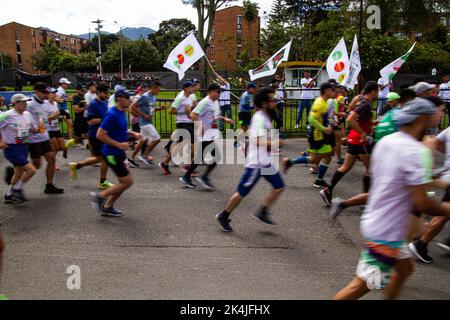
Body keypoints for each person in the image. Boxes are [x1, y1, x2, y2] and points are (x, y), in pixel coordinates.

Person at [333, 98, 450, 300]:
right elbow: (422, 202)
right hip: (387, 232)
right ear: (422, 118)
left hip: (382, 223)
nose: (441, 116)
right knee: (361, 286)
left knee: (404, 269)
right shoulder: (414, 151)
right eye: (438, 112)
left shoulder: (389, 141)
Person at [216, 87, 285, 232]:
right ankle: (224, 215)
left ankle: (263, 211)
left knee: (279, 186)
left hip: (265, 162)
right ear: (265, 103)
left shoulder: (265, 117)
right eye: (272, 100)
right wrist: (274, 143)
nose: (275, 103)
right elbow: (257, 140)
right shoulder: (259, 118)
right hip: (257, 164)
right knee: (242, 192)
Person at [320, 81, 379, 207]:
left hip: (353, 139)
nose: (378, 95)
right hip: (361, 141)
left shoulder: (359, 99)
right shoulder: (365, 104)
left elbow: (354, 117)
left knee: (345, 167)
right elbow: (351, 118)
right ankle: (365, 199)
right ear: (373, 91)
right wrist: (363, 133)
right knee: (370, 170)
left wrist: (372, 124)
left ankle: (328, 191)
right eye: (377, 92)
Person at [90, 88, 141, 217]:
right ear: (119, 99)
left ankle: (107, 206)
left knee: (123, 183)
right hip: (112, 154)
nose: (130, 101)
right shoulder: (111, 114)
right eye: (127, 98)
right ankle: (100, 196)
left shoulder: (121, 112)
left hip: (118, 153)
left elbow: (118, 131)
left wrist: (132, 133)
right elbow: (100, 135)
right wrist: (118, 144)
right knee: (127, 182)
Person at [282, 82, 337, 189]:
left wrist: (328, 123)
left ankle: (290, 162)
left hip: (317, 134)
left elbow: (319, 118)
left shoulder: (322, 102)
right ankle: (319, 180)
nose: (333, 92)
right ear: (326, 91)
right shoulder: (320, 103)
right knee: (327, 157)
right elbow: (311, 119)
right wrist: (324, 129)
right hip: (318, 135)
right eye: (331, 90)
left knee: (314, 159)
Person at [179, 83, 233, 189]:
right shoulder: (204, 102)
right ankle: (202, 177)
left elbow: (215, 115)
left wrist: (225, 119)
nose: (219, 94)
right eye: (218, 92)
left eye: (220, 92)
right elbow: (193, 115)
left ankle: (187, 177)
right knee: (215, 157)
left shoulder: (215, 102)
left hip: (210, 134)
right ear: (211, 91)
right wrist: (201, 126)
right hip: (205, 135)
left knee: (200, 158)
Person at [69, 82, 113, 189]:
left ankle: (76, 165)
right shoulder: (93, 104)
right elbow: (90, 121)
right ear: (98, 92)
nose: (106, 95)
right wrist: (104, 120)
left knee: (98, 159)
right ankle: (103, 181)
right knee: (105, 158)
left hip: (102, 134)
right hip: (95, 135)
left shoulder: (104, 102)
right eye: (105, 93)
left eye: (107, 93)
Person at [27, 83, 64, 194]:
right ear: (36, 91)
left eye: (47, 92)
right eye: (44, 92)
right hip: (33, 139)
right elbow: (25, 120)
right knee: (36, 165)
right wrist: (50, 117)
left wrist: (56, 117)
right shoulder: (29, 105)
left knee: (52, 158)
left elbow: (43, 120)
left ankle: (49, 185)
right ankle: (17, 174)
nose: (46, 95)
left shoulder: (44, 104)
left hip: (44, 136)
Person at [0, 94, 38, 203]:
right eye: (23, 102)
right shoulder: (7, 115)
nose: (26, 104)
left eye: (26, 102)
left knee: (18, 173)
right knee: (32, 170)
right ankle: (17, 190)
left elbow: (33, 129)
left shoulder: (27, 114)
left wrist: (38, 128)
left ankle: (9, 194)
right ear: (15, 103)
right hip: (11, 148)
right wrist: (1, 142)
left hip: (23, 146)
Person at [159, 81, 196, 175]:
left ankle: (165, 163)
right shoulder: (180, 98)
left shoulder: (189, 98)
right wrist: (184, 112)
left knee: (181, 145)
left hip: (188, 123)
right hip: (182, 123)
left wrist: (190, 112)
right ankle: (187, 165)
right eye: (191, 87)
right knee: (193, 144)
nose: (192, 88)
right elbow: (170, 111)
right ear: (186, 88)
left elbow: (189, 110)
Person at [127, 81, 166, 167]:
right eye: (158, 90)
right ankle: (144, 155)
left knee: (142, 141)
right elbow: (132, 106)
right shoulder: (145, 96)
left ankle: (131, 159)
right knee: (157, 139)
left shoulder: (153, 97)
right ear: (153, 88)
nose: (159, 91)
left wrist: (160, 108)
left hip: (148, 122)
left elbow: (151, 108)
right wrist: (143, 115)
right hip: (145, 123)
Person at [46, 88, 67, 162]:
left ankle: (52, 159)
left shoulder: (55, 103)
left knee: (63, 147)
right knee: (56, 148)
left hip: (56, 128)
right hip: (49, 129)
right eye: (53, 93)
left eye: (55, 93)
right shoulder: (44, 104)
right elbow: (44, 119)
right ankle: (51, 163)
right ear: (48, 94)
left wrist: (61, 117)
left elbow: (57, 114)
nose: (55, 94)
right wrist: (53, 116)